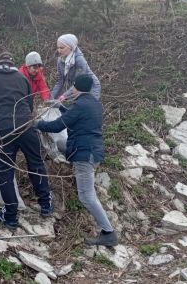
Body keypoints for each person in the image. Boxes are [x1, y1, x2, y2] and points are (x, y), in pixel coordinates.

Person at [36, 75, 118, 247]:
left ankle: (108, 233)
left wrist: (38, 124)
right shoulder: (94, 103)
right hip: (92, 150)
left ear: (75, 87)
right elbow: (76, 118)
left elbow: (58, 126)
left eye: (73, 86)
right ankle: (107, 231)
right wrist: (61, 107)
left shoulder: (80, 105)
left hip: (84, 154)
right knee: (61, 144)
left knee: (87, 196)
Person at [0, 52, 52, 230]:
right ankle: (46, 204)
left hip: (3, 129)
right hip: (27, 126)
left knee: (4, 171)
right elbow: (29, 104)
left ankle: (10, 216)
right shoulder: (22, 78)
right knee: (36, 163)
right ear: (12, 64)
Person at [51, 34, 101, 104]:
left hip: (90, 87)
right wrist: (51, 98)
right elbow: (60, 82)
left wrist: (64, 95)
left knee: (84, 109)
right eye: (58, 48)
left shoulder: (79, 60)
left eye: (62, 48)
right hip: (75, 88)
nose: (59, 50)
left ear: (70, 47)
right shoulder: (60, 60)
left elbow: (78, 83)